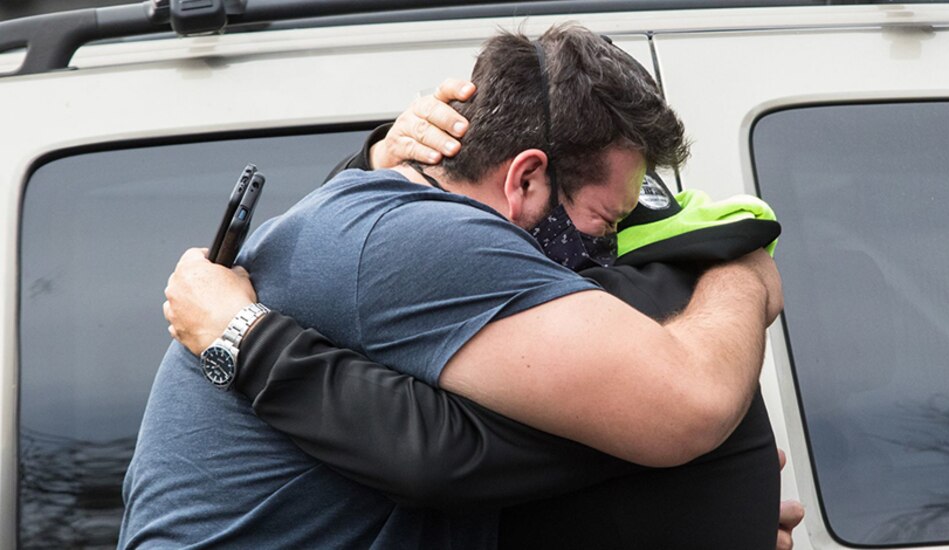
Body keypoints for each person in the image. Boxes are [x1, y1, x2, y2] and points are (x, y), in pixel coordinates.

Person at [122, 24, 784, 548]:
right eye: (603, 221)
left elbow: (454, 454)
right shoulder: (425, 241)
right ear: (525, 178)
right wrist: (743, 272)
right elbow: (688, 405)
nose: (599, 248)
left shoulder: (382, 214)